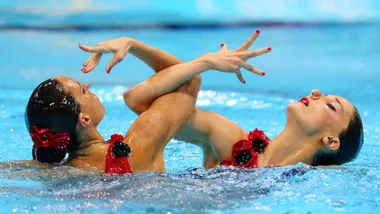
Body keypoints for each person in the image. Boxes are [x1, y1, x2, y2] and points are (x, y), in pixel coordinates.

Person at [81, 30, 364, 169]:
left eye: (330, 104)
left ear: (331, 141)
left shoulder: (316, 189)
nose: (316, 93)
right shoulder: (228, 138)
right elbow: (139, 101)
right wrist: (133, 45)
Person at [25, 30, 270, 174]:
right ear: (84, 120)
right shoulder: (139, 142)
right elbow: (188, 80)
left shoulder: (60, 171)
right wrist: (206, 62)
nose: (87, 85)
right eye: (82, 90)